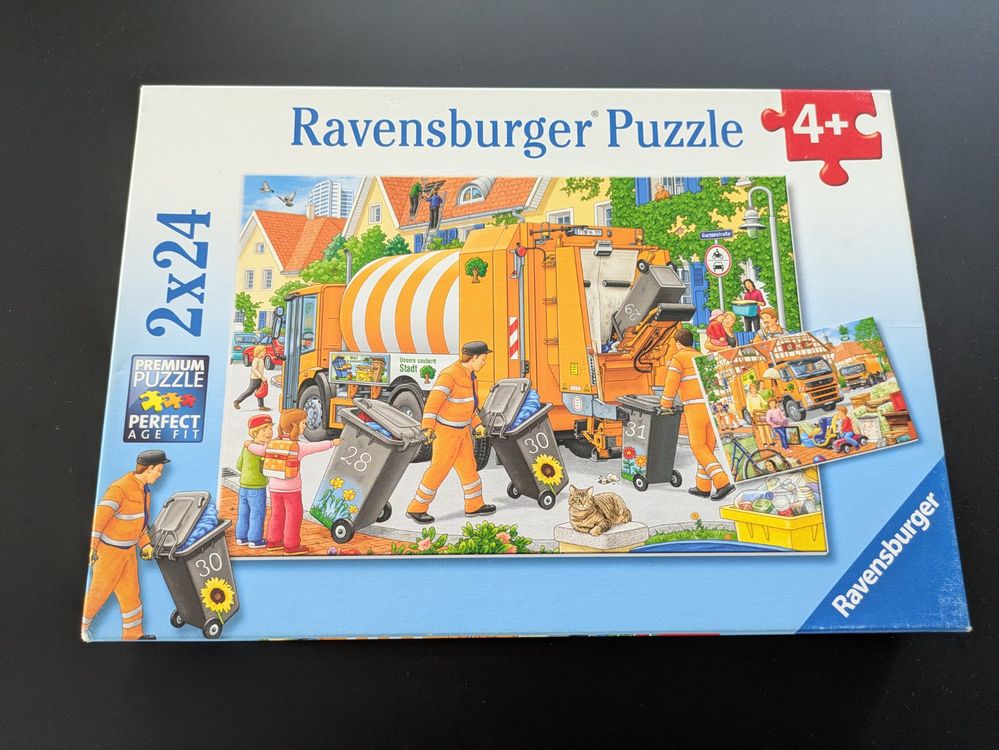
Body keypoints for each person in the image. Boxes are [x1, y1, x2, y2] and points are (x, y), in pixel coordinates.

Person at [82, 450, 170, 641]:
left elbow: (141, 526)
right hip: (109, 553)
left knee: (131, 595)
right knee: (99, 593)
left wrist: (145, 546)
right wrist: (92, 548)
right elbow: (98, 521)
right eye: (159, 470)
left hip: (128, 553)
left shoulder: (146, 492)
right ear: (149, 468)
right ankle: (81, 628)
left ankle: (133, 635)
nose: (160, 474)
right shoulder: (119, 489)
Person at [406, 341, 496, 524]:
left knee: (469, 468)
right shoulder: (449, 376)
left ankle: (474, 505)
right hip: (446, 433)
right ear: (474, 358)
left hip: (462, 432)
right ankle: (416, 508)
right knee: (439, 469)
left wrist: (477, 425)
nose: (484, 363)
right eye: (483, 359)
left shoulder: (471, 377)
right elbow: (432, 404)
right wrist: (428, 428)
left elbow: (469, 407)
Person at [247, 408, 336, 555]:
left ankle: (273, 541)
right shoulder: (297, 446)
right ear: (295, 426)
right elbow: (315, 447)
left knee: (277, 514)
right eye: (303, 423)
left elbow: (259, 450)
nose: (305, 426)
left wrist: (248, 445)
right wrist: (332, 443)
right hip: (291, 490)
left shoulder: (273, 443)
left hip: (274, 489)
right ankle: (291, 546)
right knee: (293, 516)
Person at [660, 329, 734, 500]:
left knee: (698, 446)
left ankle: (722, 482)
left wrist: (665, 405)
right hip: (711, 406)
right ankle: (703, 486)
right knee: (707, 447)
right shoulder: (702, 357)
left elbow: (671, 383)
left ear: (677, 343)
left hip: (695, 407)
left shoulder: (678, 358)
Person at [235, 414, 272, 548]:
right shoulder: (262, 450)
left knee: (243, 513)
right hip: (257, 487)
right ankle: (254, 539)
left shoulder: (247, 447)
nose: (269, 432)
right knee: (257, 513)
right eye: (264, 429)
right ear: (255, 433)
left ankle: (241, 537)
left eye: (270, 428)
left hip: (243, 486)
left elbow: (239, 465)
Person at [234, 344, 269, 410]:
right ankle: (237, 401)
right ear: (259, 351)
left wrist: (261, 378)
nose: (265, 352)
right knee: (250, 391)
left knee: (260, 392)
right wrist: (262, 377)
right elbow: (254, 369)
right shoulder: (256, 360)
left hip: (259, 378)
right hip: (255, 379)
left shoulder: (261, 359)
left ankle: (261, 406)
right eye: (264, 351)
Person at [746, 381, 770, 447]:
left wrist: (769, 401)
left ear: (756, 389)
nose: (753, 390)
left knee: (767, 428)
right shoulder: (748, 397)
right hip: (756, 415)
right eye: (751, 388)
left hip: (761, 414)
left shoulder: (758, 396)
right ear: (750, 390)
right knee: (761, 429)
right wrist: (751, 413)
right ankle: (764, 443)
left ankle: (770, 442)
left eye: (754, 388)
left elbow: (764, 403)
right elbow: (748, 407)